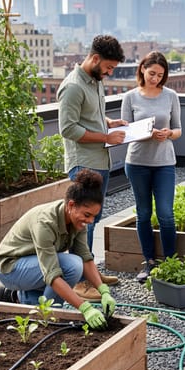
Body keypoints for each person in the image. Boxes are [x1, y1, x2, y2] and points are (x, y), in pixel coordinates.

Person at [0, 169, 116, 330]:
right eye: (87, 215)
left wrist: (104, 290)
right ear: (71, 205)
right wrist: (85, 308)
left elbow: (86, 257)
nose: (90, 221)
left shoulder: (77, 221)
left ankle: (16, 297)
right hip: (11, 268)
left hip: (34, 265)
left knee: (75, 264)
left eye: (94, 216)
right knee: (72, 266)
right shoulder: (45, 222)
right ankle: (52, 316)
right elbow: (52, 274)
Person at [57, 34, 126, 297]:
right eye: (108, 67)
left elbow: (90, 117)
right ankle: (79, 281)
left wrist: (110, 123)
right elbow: (68, 128)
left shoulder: (95, 82)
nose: (109, 72)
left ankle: (91, 274)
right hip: (83, 164)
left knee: (92, 221)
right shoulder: (73, 86)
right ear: (95, 58)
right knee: (81, 224)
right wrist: (106, 137)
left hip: (100, 160)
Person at [120, 51, 183, 283]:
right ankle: (149, 262)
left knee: (166, 213)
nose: (156, 78)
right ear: (142, 69)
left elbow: (178, 130)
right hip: (137, 163)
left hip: (164, 162)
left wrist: (168, 134)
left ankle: (170, 262)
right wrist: (148, 133)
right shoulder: (130, 97)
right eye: (152, 73)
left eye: (160, 75)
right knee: (143, 213)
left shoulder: (171, 96)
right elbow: (126, 133)